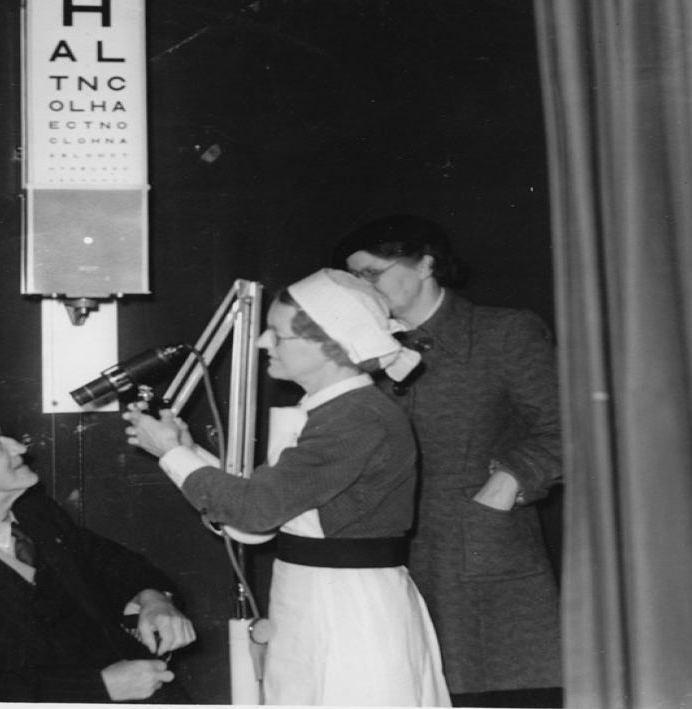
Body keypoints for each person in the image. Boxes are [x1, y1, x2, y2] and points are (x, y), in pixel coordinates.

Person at [123, 268, 451, 707]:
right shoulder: (329, 411)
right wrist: (186, 451)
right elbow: (264, 510)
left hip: (348, 606)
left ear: (331, 345)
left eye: (278, 334)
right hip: (312, 594)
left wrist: (170, 453)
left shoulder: (357, 418)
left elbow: (256, 511)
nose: (263, 343)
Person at [334, 215, 563, 707]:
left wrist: (508, 483)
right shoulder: (356, 351)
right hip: (385, 561)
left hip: (481, 555)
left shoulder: (504, 333)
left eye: (371, 273)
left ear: (425, 264)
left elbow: (569, 427)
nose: (362, 289)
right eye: (353, 279)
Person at [0, 408, 196, 703]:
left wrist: (154, 598)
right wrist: (99, 687)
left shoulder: (36, 513)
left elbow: (110, 561)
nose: (20, 448)